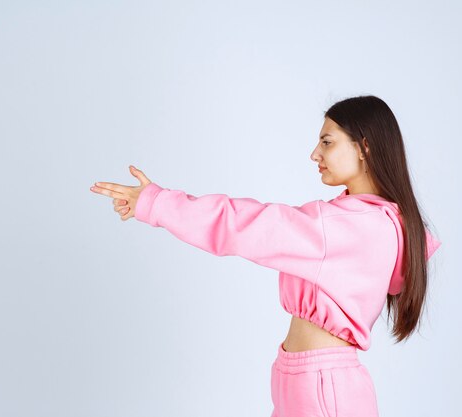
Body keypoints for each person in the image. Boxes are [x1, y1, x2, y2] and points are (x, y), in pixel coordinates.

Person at [90, 95, 442, 417]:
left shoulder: (345, 225)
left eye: (327, 141)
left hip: (321, 386)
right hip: (309, 379)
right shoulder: (373, 222)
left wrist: (157, 203)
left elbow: (242, 224)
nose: (314, 154)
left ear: (364, 147)